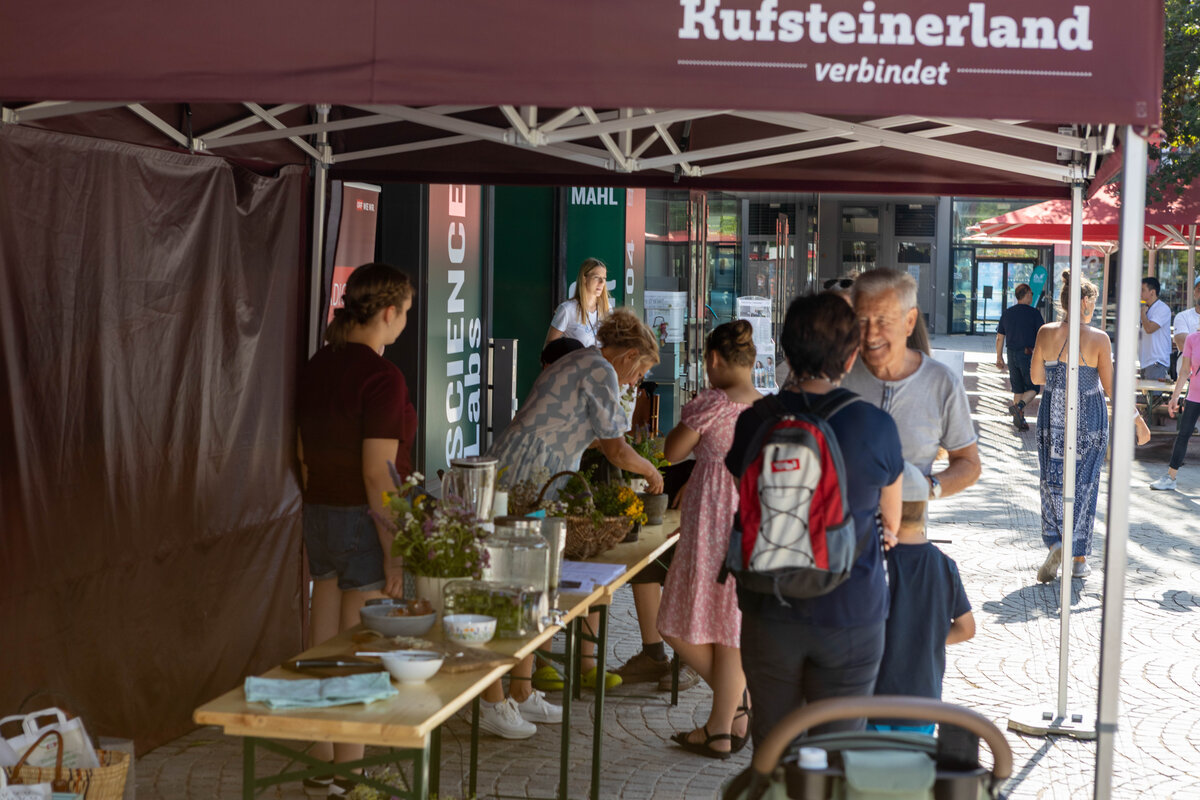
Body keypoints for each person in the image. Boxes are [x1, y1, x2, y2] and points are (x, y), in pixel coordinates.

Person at [728, 293, 904, 747]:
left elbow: (746, 497)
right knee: (838, 752)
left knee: (773, 748)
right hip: (851, 612)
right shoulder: (874, 425)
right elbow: (893, 524)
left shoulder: (754, 421)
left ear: (786, 351)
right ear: (850, 357)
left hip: (769, 605)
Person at [480, 309, 664, 739]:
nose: (635, 381)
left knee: (534, 584)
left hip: (534, 468)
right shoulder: (599, 370)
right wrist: (652, 474)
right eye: (639, 372)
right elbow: (616, 449)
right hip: (532, 473)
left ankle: (522, 692)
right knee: (515, 585)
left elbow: (599, 436)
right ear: (630, 355)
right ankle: (493, 702)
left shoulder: (581, 361)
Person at [295, 263, 417, 796]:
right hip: (359, 519)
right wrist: (396, 552)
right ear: (388, 312)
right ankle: (351, 773)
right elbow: (377, 473)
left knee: (323, 646)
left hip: (317, 510)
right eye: (407, 314)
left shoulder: (319, 363)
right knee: (359, 650)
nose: (405, 323)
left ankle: (321, 762)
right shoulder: (381, 376)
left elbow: (300, 454)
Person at [658, 321, 761, 758]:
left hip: (712, 522)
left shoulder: (712, 404)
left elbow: (671, 452)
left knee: (673, 621)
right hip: (754, 522)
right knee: (731, 625)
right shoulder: (768, 407)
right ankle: (736, 709)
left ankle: (727, 720)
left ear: (714, 361)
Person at [842, 269, 981, 522]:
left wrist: (928, 487)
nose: (871, 333)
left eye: (883, 320)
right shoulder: (836, 374)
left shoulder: (941, 383)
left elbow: (969, 464)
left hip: (906, 541)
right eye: (862, 320)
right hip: (838, 543)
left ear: (909, 321)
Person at [1029, 272, 1111, 581]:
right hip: (1089, 416)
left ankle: (1056, 541)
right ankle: (1078, 559)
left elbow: (1037, 378)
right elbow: (1111, 387)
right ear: (1087, 302)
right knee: (1084, 485)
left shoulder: (1045, 332)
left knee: (1052, 480)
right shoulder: (1099, 338)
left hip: (1052, 414)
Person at [869, 525, 975, 735]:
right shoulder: (944, 565)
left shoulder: (873, 561)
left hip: (873, 698)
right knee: (915, 765)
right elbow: (966, 628)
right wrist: (926, 634)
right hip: (922, 698)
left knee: (869, 764)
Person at [1149, 327, 1200, 492]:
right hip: (1194, 396)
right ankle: (1170, 477)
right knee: (1183, 435)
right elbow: (1185, 371)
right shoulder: (1192, 339)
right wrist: (1175, 397)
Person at [995, 283, 1045, 431]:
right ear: (1026, 294)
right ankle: (1019, 408)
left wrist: (999, 357)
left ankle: (1020, 420)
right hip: (1027, 354)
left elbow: (999, 337)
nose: (1032, 296)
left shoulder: (1007, 313)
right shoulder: (1034, 313)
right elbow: (1042, 335)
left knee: (1017, 389)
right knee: (1033, 387)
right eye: (1031, 293)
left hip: (1011, 353)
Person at [546, 257, 612, 348]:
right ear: (584, 278)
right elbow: (548, 347)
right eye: (596, 277)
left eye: (604, 278)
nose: (601, 282)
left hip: (601, 362)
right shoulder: (567, 309)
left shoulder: (607, 309)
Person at [1140, 276, 1172, 381]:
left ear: (1152, 292)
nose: (1140, 293)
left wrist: (1143, 315)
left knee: (1155, 396)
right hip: (1146, 361)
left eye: (1143, 290)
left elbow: (1149, 329)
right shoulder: (1145, 308)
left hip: (1157, 362)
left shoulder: (1162, 309)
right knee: (1148, 397)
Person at [1171, 278, 1200, 383]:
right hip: (1187, 380)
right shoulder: (1183, 316)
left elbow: (1190, 344)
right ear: (1194, 293)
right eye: (1199, 289)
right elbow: (1182, 344)